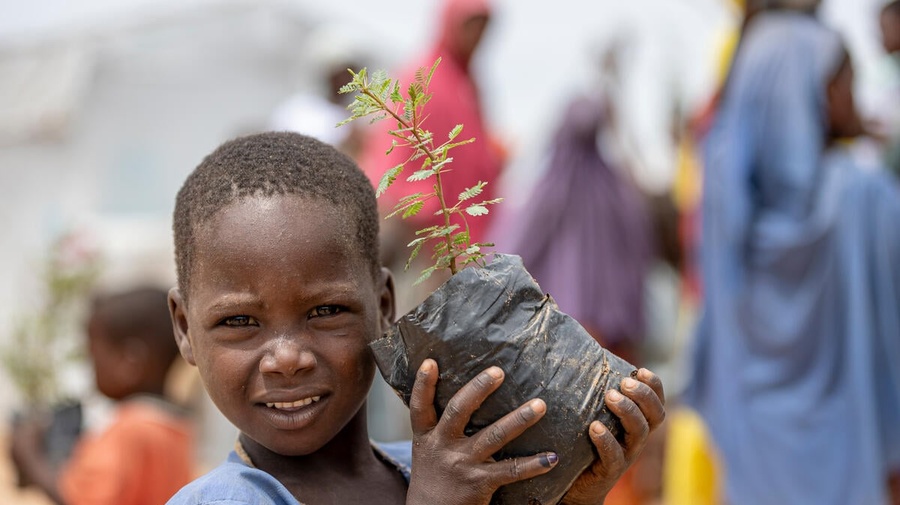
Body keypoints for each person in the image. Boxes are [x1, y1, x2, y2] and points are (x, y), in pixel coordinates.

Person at [163, 131, 665, 504]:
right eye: (239, 322)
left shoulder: (449, 473)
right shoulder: (222, 500)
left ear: (385, 307)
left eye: (326, 311)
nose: (287, 358)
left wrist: (569, 494)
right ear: (184, 328)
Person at [684, 10, 900, 505]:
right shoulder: (863, 199)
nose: (854, 97)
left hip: (753, 457)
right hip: (854, 460)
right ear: (811, 94)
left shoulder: (725, 204)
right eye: (846, 82)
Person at [360, 0, 504, 305]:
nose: (477, 37)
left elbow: (474, 152)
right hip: (420, 222)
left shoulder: (468, 86)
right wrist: (422, 199)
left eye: (483, 29)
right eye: (471, 27)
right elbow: (396, 149)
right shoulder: (422, 77)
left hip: (459, 224)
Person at [11, 286, 195, 505]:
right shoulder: (174, 427)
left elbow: (80, 500)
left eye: (94, 357)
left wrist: (30, 457)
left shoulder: (127, 429)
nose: (91, 370)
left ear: (130, 361)